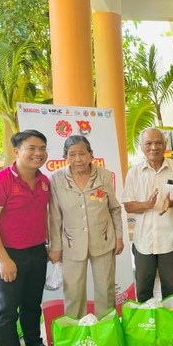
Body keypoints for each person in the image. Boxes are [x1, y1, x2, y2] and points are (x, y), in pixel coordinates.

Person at [0, 130, 54, 346]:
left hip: (36, 251)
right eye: (31, 148)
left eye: (42, 148)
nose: (38, 153)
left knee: (32, 304)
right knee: (7, 309)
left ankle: (33, 344)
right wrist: (3, 259)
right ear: (17, 151)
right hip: (7, 254)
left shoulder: (44, 181)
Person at [48, 136, 124, 319]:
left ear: (91, 154)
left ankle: (106, 333)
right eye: (72, 155)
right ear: (65, 157)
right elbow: (55, 216)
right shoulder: (57, 178)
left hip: (104, 240)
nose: (78, 159)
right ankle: (76, 334)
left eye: (82, 153)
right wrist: (55, 247)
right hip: (71, 244)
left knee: (106, 291)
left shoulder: (104, 175)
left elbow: (114, 208)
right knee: (73, 293)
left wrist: (119, 237)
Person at [123, 128, 173, 306]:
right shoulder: (135, 172)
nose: (154, 147)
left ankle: (172, 328)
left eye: (158, 143)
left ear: (165, 145)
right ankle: (147, 328)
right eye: (149, 143)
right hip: (143, 241)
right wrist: (147, 205)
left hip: (171, 238)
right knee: (144, 289)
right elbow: (128, 204)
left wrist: (172, 203)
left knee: (172, 288)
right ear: (142, 147)